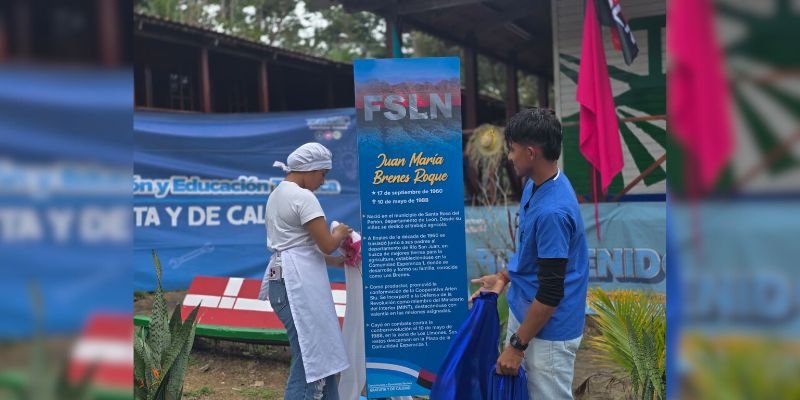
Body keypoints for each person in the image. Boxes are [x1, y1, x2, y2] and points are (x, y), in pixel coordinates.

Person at [471, 108, 589, 399]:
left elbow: (550, 292)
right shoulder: (536, 185)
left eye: (512, 150)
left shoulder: (553, 211)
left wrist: (516, 346)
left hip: (548, 333)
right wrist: (503, 277)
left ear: (531, 152)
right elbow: (532, 253)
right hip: (526, 315)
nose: (509, 157)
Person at [259, 142, 352, 400]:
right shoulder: (303, 197)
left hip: (284, 280)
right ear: (309, 169)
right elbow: (326, 243)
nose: (323, 181)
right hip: (294, 284)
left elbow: (297, 245)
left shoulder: (278, 194)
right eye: (323, 174)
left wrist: (334, 263)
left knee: (317, 355)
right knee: (312, 360)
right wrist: (340, 234)